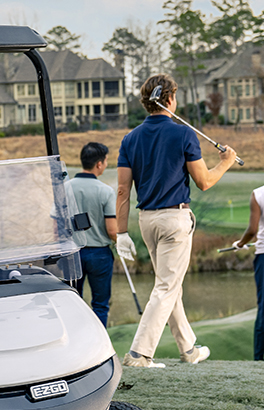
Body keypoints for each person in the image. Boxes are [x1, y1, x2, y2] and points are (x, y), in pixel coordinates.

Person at [117, 74, 237, 368]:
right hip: (174, 220)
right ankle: (139, 354)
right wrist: (226, 161)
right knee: (167, 287)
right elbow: (204, 181)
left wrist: (121, 232)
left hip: (146, 222)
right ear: (169, 99)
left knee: (170, 286)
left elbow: (122, 189)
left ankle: (189, 349)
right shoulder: (184, 134)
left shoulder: (130, 139)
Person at [67, 142, 117, 327]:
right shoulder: (105, 191)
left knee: (72, 303)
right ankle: (99, 350)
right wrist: (122, 242)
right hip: (99, 255)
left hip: (71, 254)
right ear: (99, 164)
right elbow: (112, 230)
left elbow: (56, 224)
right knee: (100, 305)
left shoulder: (65, 188)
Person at [231, 185, 264, 360]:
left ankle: (258, 359)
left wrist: (241, 243)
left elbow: (252, 231)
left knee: (263, 308)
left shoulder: (258, 194)